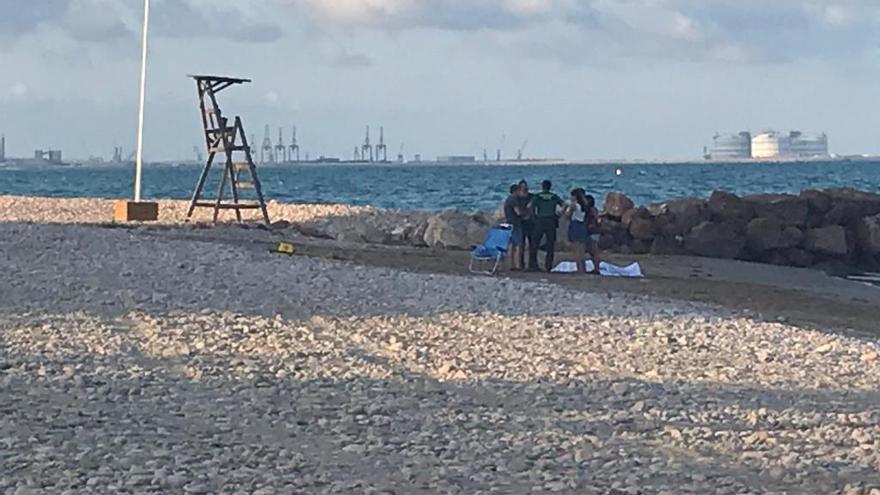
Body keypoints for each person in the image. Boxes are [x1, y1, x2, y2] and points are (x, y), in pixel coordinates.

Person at [528, 180, 564, 272]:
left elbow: (530, 207)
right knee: (550, 244)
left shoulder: (538, 196)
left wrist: (533, 217)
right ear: (550, 187)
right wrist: (559, 214)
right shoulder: (554, 196)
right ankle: (548, 266)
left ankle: (533, 264)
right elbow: (564, 205)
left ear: (542, 187)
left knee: (535, 243)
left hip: (540, 220)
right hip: (551, 220)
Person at [564, 188, 590, 273]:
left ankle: (579, 268)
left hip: (575, 225)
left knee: (576, 250)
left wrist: (566, 209)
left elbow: (567, 215)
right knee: (582, 250)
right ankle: (583, 268)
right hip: (582, 225)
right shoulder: (584, 205)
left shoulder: (574, 205)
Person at [503, 184, 526, 270]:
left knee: (512, 244)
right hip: (515, 223)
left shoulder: (508, 199)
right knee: (518, 244)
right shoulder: (514, 200)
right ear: (516, 191)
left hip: (509, 222)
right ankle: (517, 264)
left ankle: (511, 264)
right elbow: (518, 212)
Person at [516, 180, 534, 269]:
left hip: (530, 222)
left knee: (532, 243)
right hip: (521, 222)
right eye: (523, 186)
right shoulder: (517, 198)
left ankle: (531, 263)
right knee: (521, 244)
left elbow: (533, 206)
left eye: (525, 186)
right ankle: (521, 264)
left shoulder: (531, 197)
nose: (525, 188)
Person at [585, 194, 601, 275]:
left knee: (595, 251)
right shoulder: (589, 210)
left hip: (593, 232)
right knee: (592, 252)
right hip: (590, 231)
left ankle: (597, 269)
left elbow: (597, 219)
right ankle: (595, 267)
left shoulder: (592, 210)